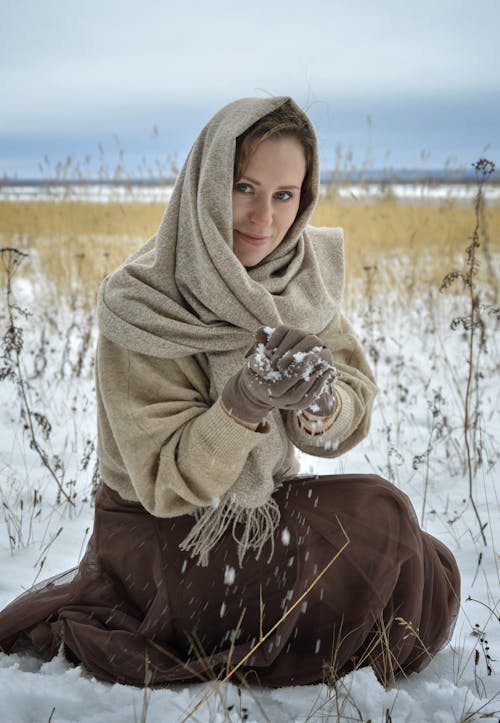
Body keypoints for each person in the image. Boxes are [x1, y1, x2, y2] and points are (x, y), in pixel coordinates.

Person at [0, 96, 459, 688]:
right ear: (207, 181)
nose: (263, 217)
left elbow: (351, 392)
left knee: (429, 564)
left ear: (304, 198)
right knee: (383, 518)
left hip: (259, 510)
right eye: (244, 187)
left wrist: (321, 405)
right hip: (161, 542)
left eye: (284, 194)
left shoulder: (300, 276)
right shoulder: (142, 301)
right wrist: (243, 405)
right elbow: (167, 484)